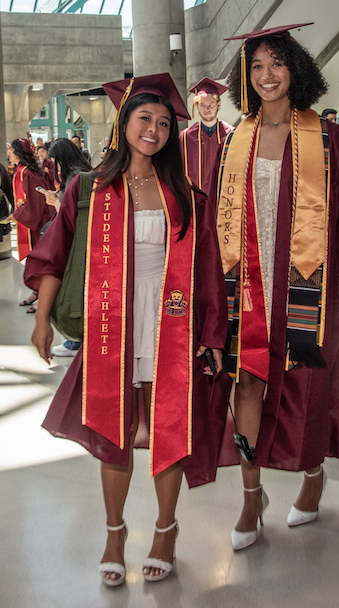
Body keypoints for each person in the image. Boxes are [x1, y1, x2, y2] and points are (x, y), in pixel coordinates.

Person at [25, 73, 229, 585]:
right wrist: (43, 324)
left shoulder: (184, 193)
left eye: (164, 123)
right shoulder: (89, 189)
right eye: (145, 119)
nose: (155, 130)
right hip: (111, 326)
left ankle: (165, 529)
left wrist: (214, 335)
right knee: (113, 432)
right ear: (124, 121)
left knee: (167, 427)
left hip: (171, 326)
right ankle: (114, 532)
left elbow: (206, 270)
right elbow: (53, 256)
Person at [216, 24, 339, 551]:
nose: (267, 75)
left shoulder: (327, 136)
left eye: (277, 63)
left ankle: (312, 476)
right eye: (256, 66)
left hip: (306, 288)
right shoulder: (236, 140)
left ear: (297, 68)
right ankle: (252, 496)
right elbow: (217, 223)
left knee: (308, 386)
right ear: (244, 77)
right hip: (248, 288)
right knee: (246, 382)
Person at [39, 137, 92, 357]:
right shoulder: (80, 174)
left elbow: (73, 216)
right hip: (81, 242)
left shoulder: (76, 178)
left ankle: (75, 342)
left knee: (74, 291)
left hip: (78, 243)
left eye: (55, 162)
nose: (53, 167)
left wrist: (54, 202)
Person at [4, 138, 54, 310]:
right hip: (34, 220)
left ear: (17, 151)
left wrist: (16, 215)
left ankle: (44, 299)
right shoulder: (22, 170)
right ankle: (37, 293)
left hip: (38, 223)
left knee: (40, 260)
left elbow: (35, 203)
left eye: (10, 149)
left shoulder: (28, 173)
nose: (7, 153)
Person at [180, 77, 233, 192]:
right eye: (202, 105)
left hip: (222, 198)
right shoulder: (185, 137)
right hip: (195, 200)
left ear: (218, 105)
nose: (207, 109)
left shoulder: (230, 135)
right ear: (197, 106)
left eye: (211, 105)